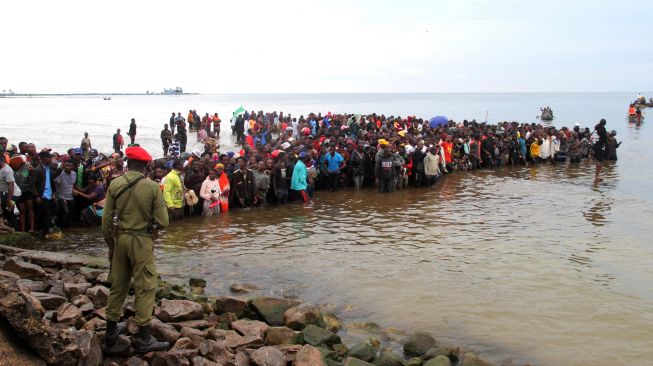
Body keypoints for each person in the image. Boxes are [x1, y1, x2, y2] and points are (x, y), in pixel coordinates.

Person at [102, 146, 170, 353]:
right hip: (141, 241)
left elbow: (105, 221)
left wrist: (111, 246)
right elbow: (163, 221)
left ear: (128, 164)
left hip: (120, 239)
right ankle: (144, 338)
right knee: (145, 286)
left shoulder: (115, 183)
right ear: (145, 166)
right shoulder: (152, 187)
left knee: (118, 285)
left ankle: (111, 332)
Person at [31, 151, 57, 235]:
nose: (51, 159)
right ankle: (44, 232)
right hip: (43, 195)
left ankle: (46, 230)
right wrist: (37, 196)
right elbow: (32, 184)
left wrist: (53, 192)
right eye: (49, 158)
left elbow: (52, 180)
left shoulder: (49, 168)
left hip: (50, 194)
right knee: (46, 214)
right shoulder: (38, 170)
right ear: (43, 159)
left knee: (51, 212)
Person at [54, 161, 76, 228]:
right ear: (64, 166)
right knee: (65, 211)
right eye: (66, 166)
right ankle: (60, 226)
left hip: (70, 196)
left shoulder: (74, 174)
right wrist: (56, 196)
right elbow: (55, 184)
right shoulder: (61, 174)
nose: (68, 167)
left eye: (69, 166)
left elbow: (72, 184)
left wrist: (73, 189)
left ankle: (67, 228)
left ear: (72, 167)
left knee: (70, 213)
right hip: (61, 196)